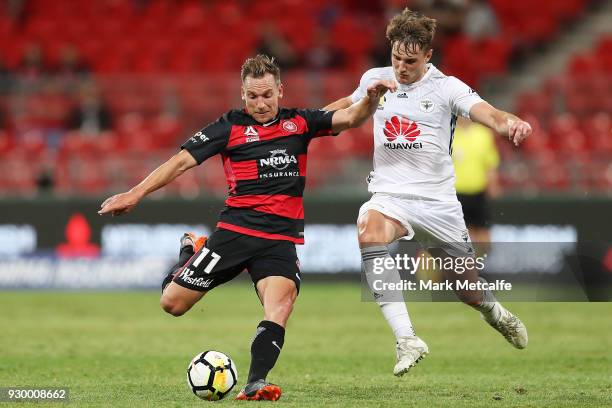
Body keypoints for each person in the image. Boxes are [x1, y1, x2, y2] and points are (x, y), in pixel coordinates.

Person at [98, 54, 395, 401]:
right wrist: (136, 193)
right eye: (253, 96)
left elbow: (351, 116)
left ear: (280, 91)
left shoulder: (300, 122)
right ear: (243, 94)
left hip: (280, 239)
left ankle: (255, 382)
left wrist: (371, 98)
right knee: (172, 304)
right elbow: (180, 162)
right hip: (236, 233)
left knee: (280, 306)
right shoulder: (229, 127)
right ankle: (190, 252)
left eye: (267, 94)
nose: (261, 103)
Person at [324, 8, 532, 377]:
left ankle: (496, 312)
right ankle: (407, 338)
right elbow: (346, 106)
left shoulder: (446, 87)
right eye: (396, 58)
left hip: (438, 204)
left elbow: (489, 113)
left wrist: (509, 122)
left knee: (467, 291)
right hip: (390, 196)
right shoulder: (376, 78)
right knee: (370, 232)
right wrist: (303, 122)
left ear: (428, 56)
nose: (401, 68)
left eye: (410, 61)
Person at [452, 117, 501, 248]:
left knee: (484, 239)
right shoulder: (447, 134)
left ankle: (477, 265)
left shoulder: (484, 134)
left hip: (478, 192)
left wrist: (493, 184)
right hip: (454, 194)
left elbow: (490, 163)